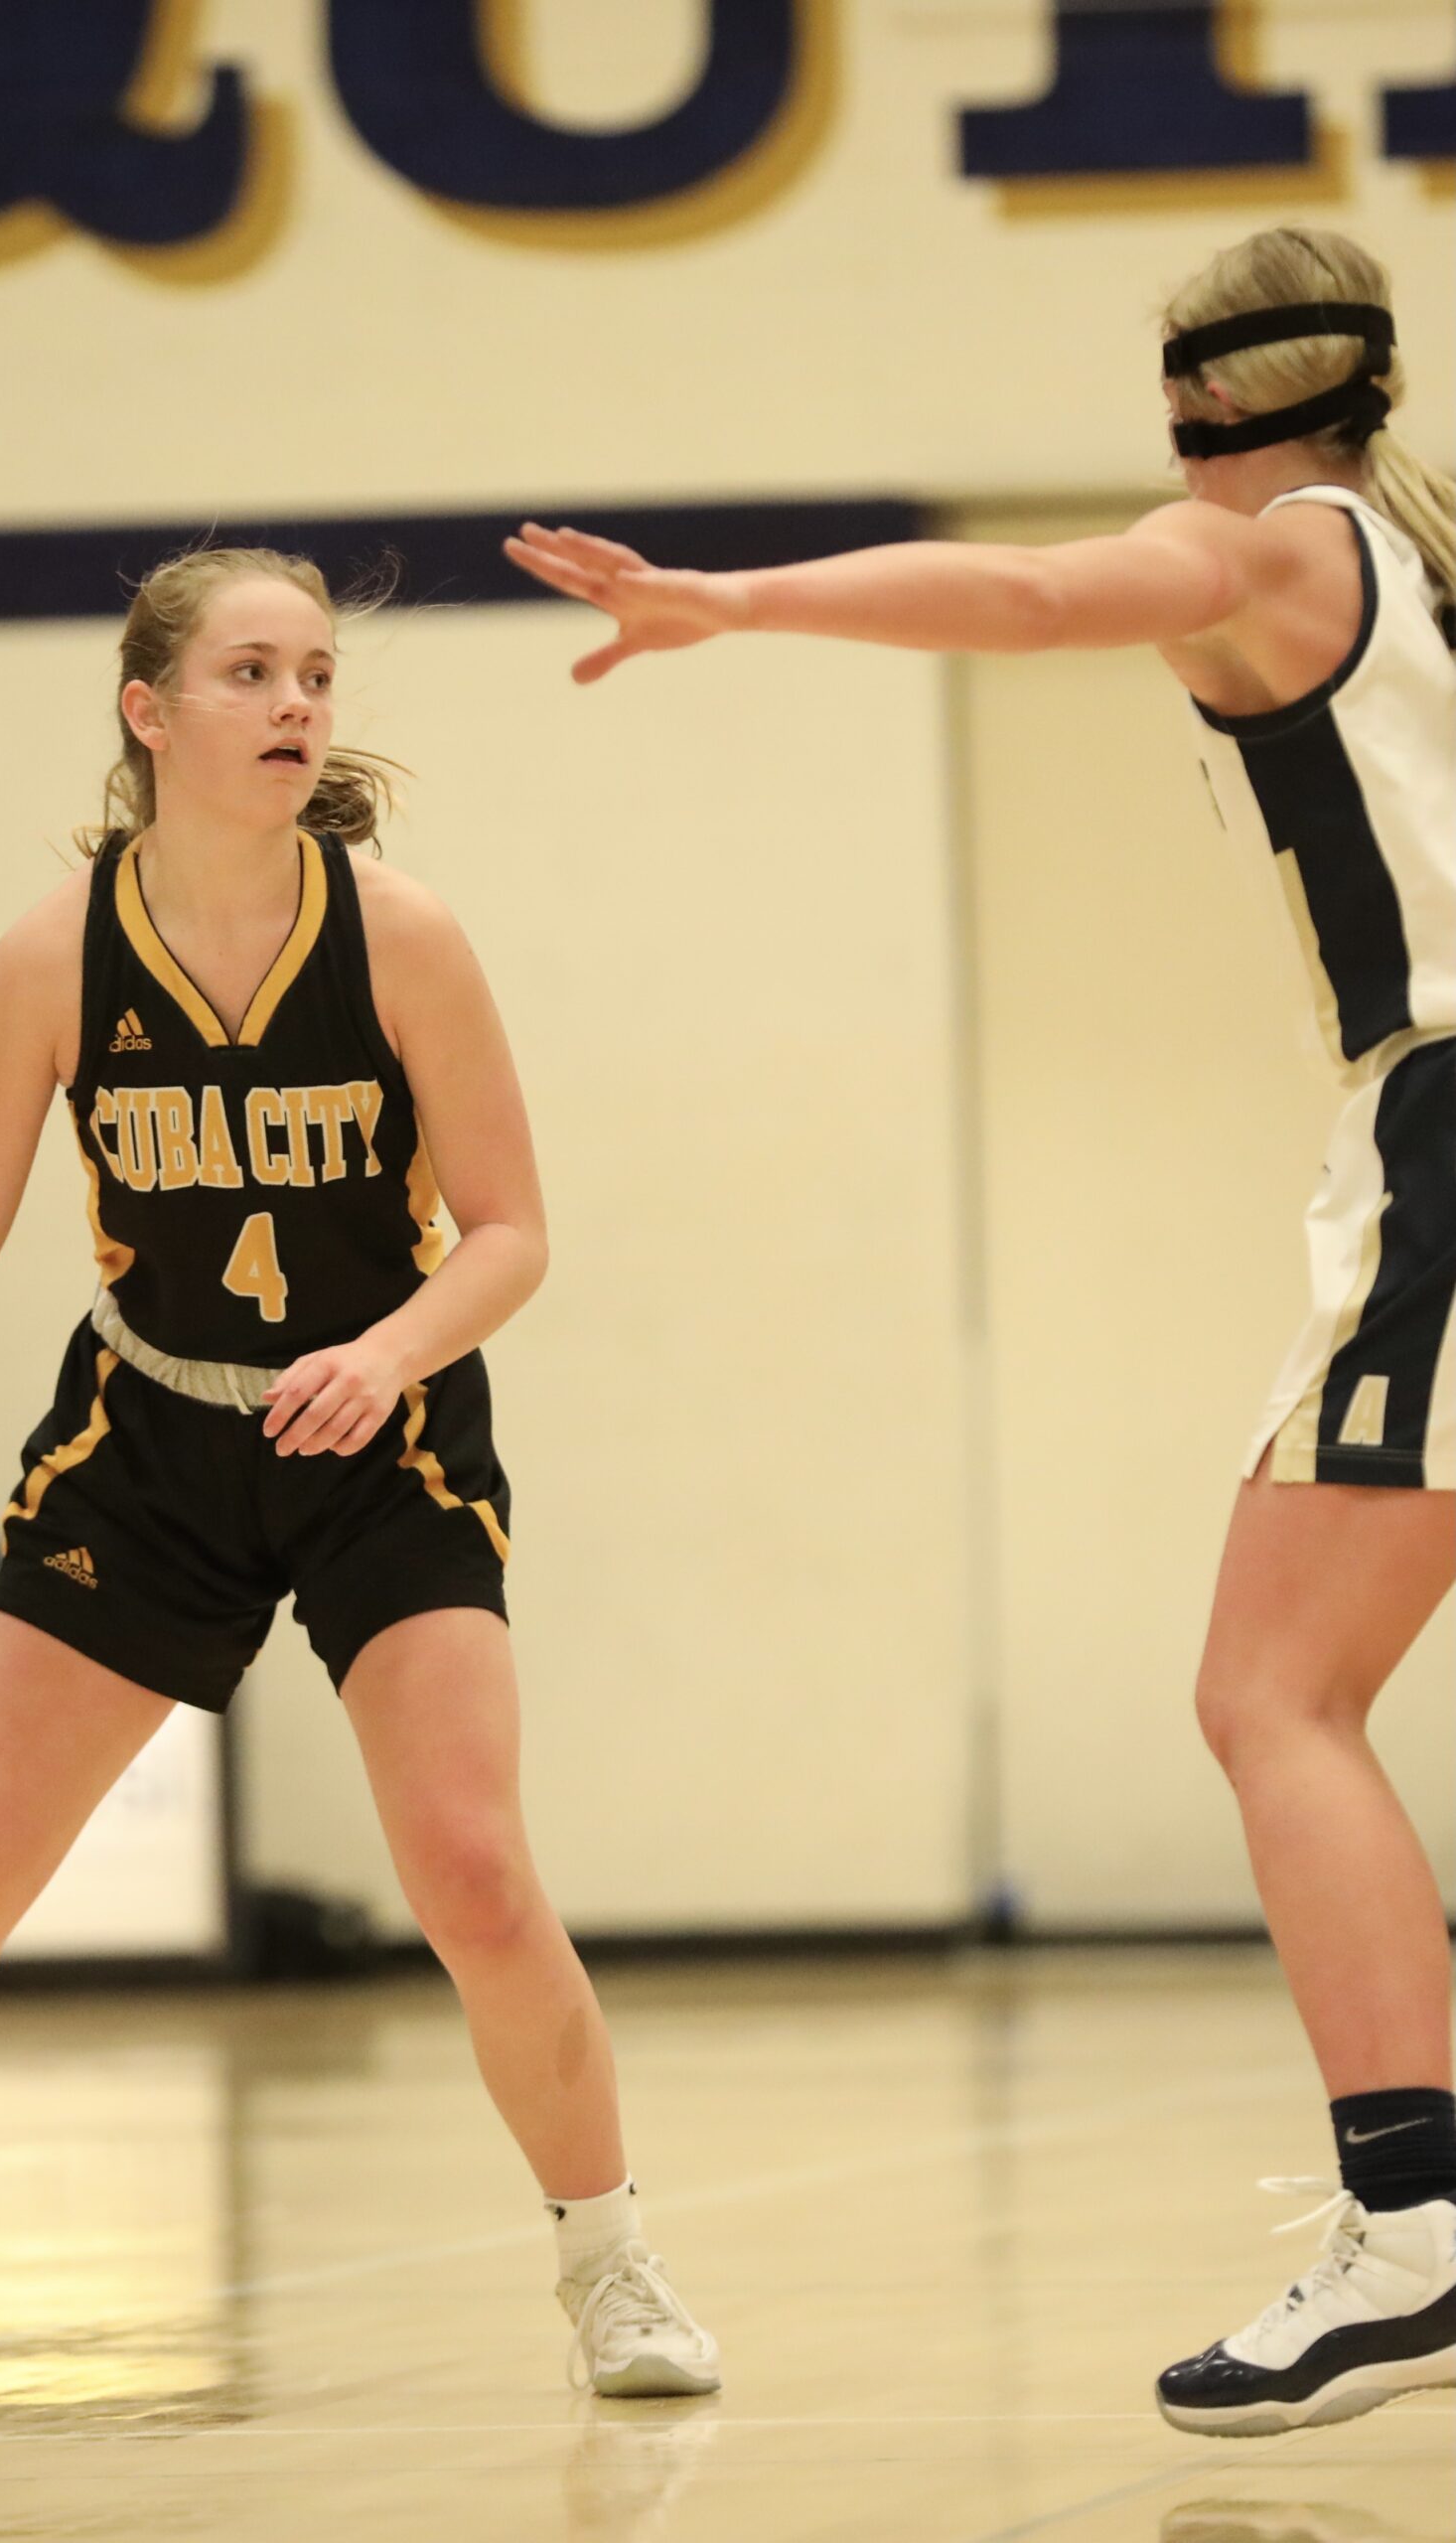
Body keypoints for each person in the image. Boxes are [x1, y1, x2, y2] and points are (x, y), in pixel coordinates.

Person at [506, 226, 1455, 2439]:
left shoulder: (1280, 553)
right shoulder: (1419, 564)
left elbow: (1029, 598)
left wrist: (734, 599)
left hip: (1442, 1124)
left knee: (1272, 1692)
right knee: (1293, 1690)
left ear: (1195, 409)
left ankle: (1415, 2229)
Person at [0, 546, 719, 2402]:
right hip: (149, 1442)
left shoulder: (401, 936)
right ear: (147, 711)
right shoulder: (50, 957)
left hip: (379, 1442)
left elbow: (509, 1232)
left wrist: (387, 1352)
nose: (296, 704)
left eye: (315, 674)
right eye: (250, 673)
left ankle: (609, 2265)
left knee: (476, 1878)